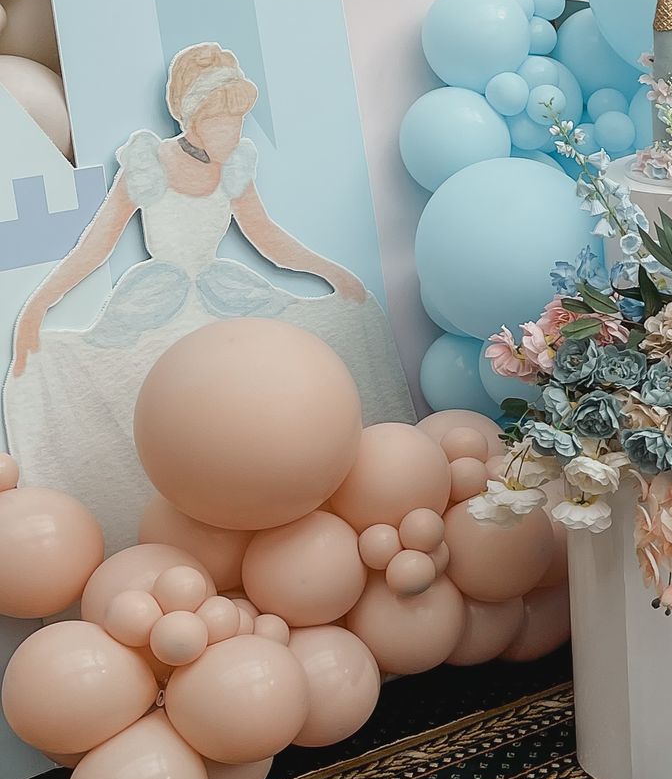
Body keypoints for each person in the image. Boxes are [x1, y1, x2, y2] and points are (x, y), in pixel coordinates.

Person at [6, 42, 410, 543]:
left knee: (331, 331)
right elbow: (97, 244)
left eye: (239, 121)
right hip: (158, 295)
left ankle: (330, 484)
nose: (234, 131)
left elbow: (268, 238)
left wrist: (331, 272)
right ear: (193, 118)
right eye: (224, 120)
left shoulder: (233, 164)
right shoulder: (147, 163)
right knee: (143, 387)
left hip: (226, 293)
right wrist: (40, 303)